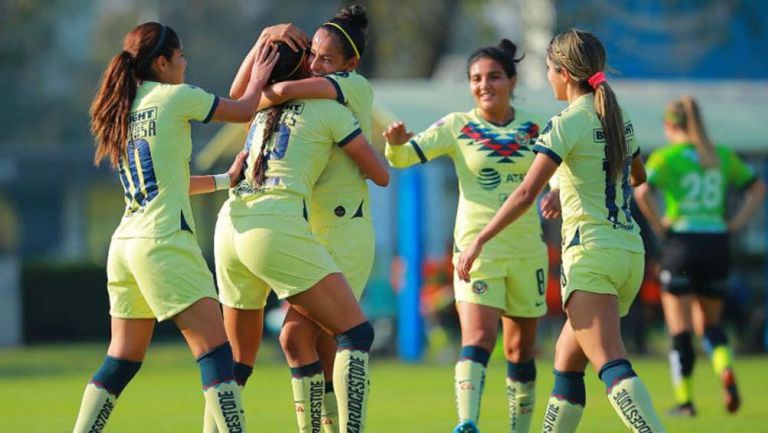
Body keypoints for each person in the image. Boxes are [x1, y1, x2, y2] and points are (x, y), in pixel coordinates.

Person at [456, 29, 667, 433]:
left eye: (549, 70)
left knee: (609, 360)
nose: (548, 78)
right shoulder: (617, 115)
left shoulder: (566, 122)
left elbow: (523, 194)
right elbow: (638, 175)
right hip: (628, 253)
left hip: (591, 254)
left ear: (565, 73)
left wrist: (479, 240)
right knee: (566, 361)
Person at [73, 21, 279, 433]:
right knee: (218, 353)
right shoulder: (174, 97)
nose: (185, 63)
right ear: (162, 62)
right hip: (163, 242)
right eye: (180, 56)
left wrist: (225, 181)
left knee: (121, 360)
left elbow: (171, 182)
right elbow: (242, 110)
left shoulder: (125, 107)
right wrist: (259, 76)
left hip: (126, 245)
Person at [213, 38, 388, 433]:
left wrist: (261, 54)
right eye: (312, 56)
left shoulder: (262, 110)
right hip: (279, 226)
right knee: (354, 333)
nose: (317, 62)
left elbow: (238, 98)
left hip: (233, 224)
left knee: (242, 361)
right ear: (303, 67)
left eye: (324, 56)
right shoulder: (329, 109)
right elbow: (380, 175)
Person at [384, 39, 547, 433]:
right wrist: (394, 145)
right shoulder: (457, 125)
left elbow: (558, 173)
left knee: (520, 350)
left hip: (527, 252)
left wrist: (556, 190)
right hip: (477, 251)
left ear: (511, 80)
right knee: (477, 337)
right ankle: (467, 422)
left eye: (493, 76)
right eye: (476, 78)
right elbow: (405, 158)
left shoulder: (534, 129)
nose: (484, 85)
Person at [634, 96, 766, 416]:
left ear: (669, 126)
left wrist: (658, 225)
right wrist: (734, 223)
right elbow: (757, 188)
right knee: (710, 324)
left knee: (680, 329)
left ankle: (685, 401)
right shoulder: (720, 155)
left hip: (682, 244)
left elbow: (640, 190)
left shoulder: (667, 157)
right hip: (716, 243)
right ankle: (726, 374)